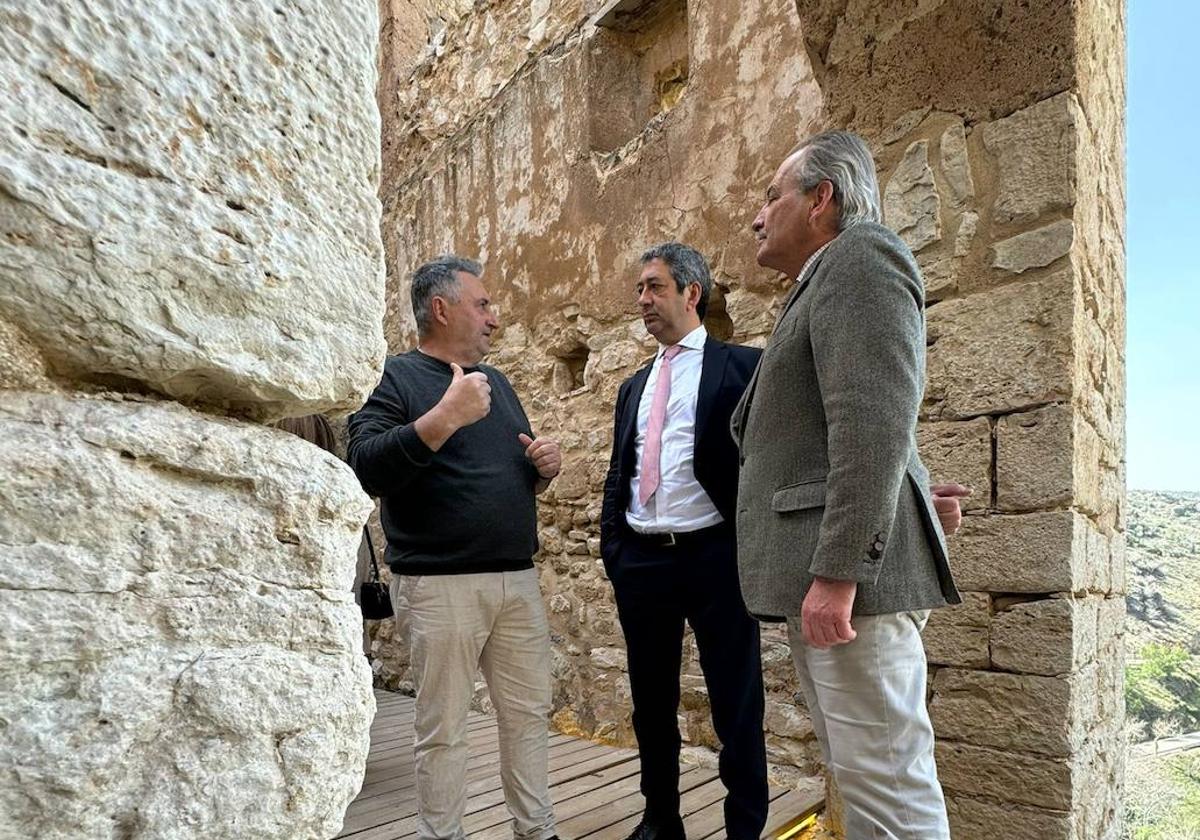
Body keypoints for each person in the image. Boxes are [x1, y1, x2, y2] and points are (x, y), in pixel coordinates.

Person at [731, 130, 966, 839]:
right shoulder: (827, 278)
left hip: (848, 589)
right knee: (866, 778)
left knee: (890, 787)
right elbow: (862, 422)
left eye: (773, 196)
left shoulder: (861, 258)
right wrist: (913, 498)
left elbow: (872, 425)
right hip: (840, 580)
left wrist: (838, 573)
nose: (758, 215)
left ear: (822, 198)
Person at [347, 256, 562, 840]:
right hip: (439, 587)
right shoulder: (395, 378)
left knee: (528, 719)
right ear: (440, 309)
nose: (494, 317)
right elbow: (364, 464)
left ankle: (536, 830)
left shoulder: (499, 384)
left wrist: (540, 470)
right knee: (443, 729)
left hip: (517, 582)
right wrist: (442, 417)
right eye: (483, 303)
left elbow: (502, 471)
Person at [600, 243, 768, 840]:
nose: (642, 301)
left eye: (654, 287)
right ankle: (661, 820)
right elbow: (622, 469)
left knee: (736, 702)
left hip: (718, 557)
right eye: (640, 291)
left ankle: (744, 827)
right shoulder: (633, 386)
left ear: (691, 293)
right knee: (651, 704)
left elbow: (773, 460)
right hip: (644, 560)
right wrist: (614, 549)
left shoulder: (744, 367)